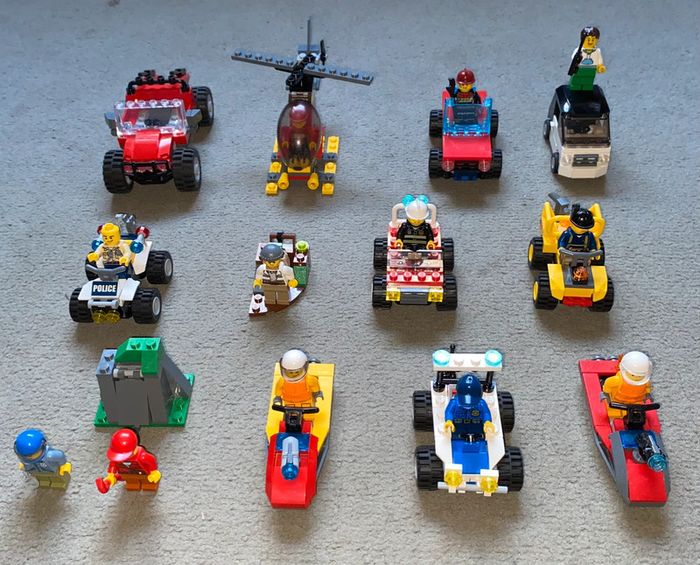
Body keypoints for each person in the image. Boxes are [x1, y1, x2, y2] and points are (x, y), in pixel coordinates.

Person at [96, 428, 161, 493]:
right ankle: (132, 484)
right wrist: (111, 475)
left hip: (143, 473)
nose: (121, 459)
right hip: (126, 473)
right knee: (131, 481)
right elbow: (113, 464)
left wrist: (153, 472)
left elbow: (151, 460)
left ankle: (148, 485)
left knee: (147, 481)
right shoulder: (117, 458)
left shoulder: (142, 456)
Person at [443, 373, 495, 441]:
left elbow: (486, 413)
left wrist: (487, 421)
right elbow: (449, 412)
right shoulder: (454, 402)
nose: (468, 407)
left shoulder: (481, 403)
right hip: (457, 424)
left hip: (476, 424)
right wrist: (449, 420)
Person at [603, 352, 653, 419]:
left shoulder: (646, 382)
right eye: (633, 375)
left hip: (637, 403)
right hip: (617, 403)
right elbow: (606, 391)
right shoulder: (616, 381)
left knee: (638, 415)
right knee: (614, 414)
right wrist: (608, 400)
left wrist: (648, 396)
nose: (636, 378)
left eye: (640, 376)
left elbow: (647, 390)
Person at [568, 26, 606, 91]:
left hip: (592, 69)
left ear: (597, 40)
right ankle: (575, 89)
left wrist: (600, 66)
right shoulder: (579, 50)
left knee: (589, 80)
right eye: (588, 40)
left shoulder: (597, 51)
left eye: (593, 40)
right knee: (577, 80)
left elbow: (599, 60)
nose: (590, 42)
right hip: (580, 68)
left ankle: (586, 90)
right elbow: (573, 58)